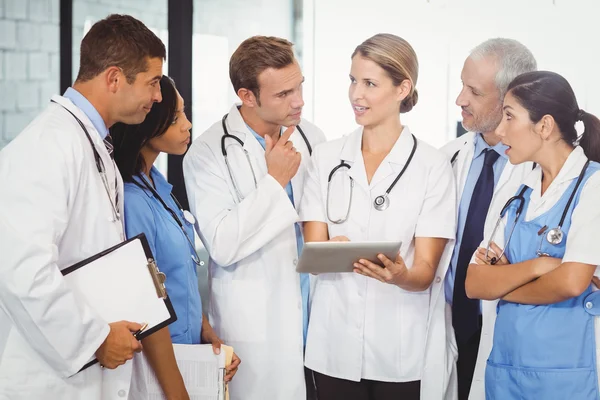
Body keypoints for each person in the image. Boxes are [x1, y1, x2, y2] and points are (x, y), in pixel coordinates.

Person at [0, 14, 165, 399]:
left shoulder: (89, 143)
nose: (158, 96)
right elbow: (22, 270)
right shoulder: (46, 145)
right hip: (53, 378)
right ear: (113, 78)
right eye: (153, 82)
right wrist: (93, 338)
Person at [300, 33, 456, 400]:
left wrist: (400, 274)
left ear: (403, 88)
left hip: (400, 350)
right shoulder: (325, 159)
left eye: (370, 83)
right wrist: (326, 251)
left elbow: (425, 272)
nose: (356, 94)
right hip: (332, 346)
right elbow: (312, 253)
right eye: (353, 80)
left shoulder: (432, 167)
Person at [183, 36, 326, 400]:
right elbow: (223, 244)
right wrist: (275, 182)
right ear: (247, 96)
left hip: (316, 318)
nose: (299, 101)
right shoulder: (208, 153)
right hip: (257, 331)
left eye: (299, 87)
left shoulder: (313, 137)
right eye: (283, 94)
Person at [466, 70, 600, 399]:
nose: (499, 130)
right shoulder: (517, 191)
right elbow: (475, 283)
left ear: (545, 126)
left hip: (568, 376)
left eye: (509, 117)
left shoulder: (593, 187)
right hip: (506, 371)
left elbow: (571, 282)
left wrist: (504, 284)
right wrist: (539, 268)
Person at [110, 75, 241, 398]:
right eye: (175, 118)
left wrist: (204, 330)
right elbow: (147, 303)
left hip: (187, 349)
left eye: (184, 113)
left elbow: (177, 276)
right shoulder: (133, 200)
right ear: (146, 126)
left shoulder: (158, 186)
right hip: (159, 366)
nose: (188, 125)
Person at [441, 38, 537, 400]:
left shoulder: (538, 171)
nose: (460, 100)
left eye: (474, 91)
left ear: (511, 99)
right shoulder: (447, 158)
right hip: (448, 326)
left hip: (504, 330)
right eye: (462, 85)